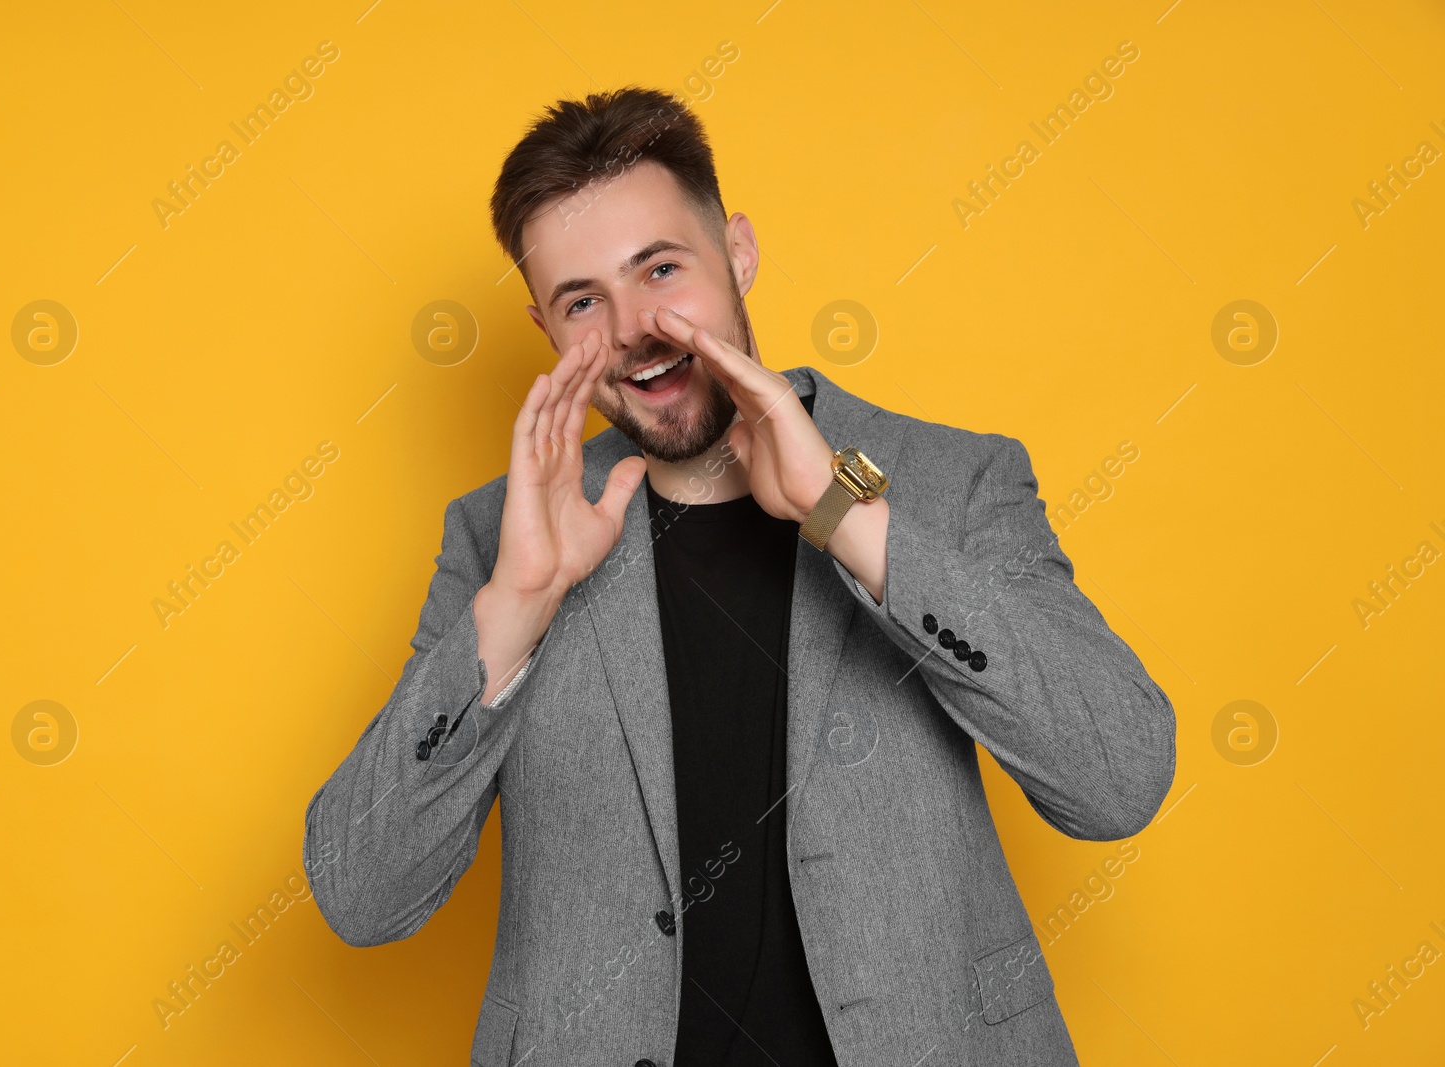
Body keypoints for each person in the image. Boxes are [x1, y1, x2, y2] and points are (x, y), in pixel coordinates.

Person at [303, 85, 1176, 1066]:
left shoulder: (951, 479)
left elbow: (1117, 779)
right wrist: (517, 604)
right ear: (545, 328)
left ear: (740, 254)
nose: (635, 327)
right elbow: (361, 890)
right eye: (582, 300)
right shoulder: (497, 539)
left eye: (661, 268)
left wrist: (842, 514)